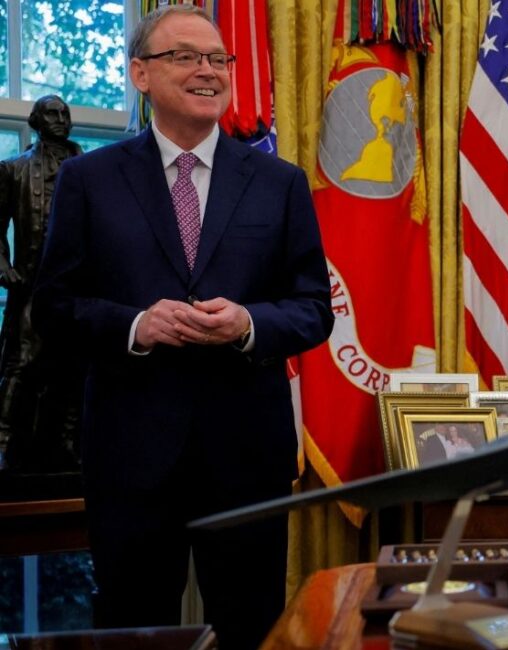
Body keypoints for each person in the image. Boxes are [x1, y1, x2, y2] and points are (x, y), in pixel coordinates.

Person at [31, 6, 332, 649]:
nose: (208, 70)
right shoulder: (89, 178)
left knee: (254, 631)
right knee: (135, 632)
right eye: (186, 56)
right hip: (130, 456)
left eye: (218, 59)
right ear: (140, 73)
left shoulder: (280, 183)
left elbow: (313, 309)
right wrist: (137, 325)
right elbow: (53, 307)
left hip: (246, 459)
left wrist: (248, 322)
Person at [0, 95, 84, 472]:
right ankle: (3, 444)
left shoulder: (92, 172)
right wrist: (5, 269)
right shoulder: (14, 171)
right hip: (31, 286)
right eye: (52, 113)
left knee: (75, 367)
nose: (60, 119)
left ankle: (69, 448)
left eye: (65, 113)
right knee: (20, 366)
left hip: (81, 292)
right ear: (35, 120)